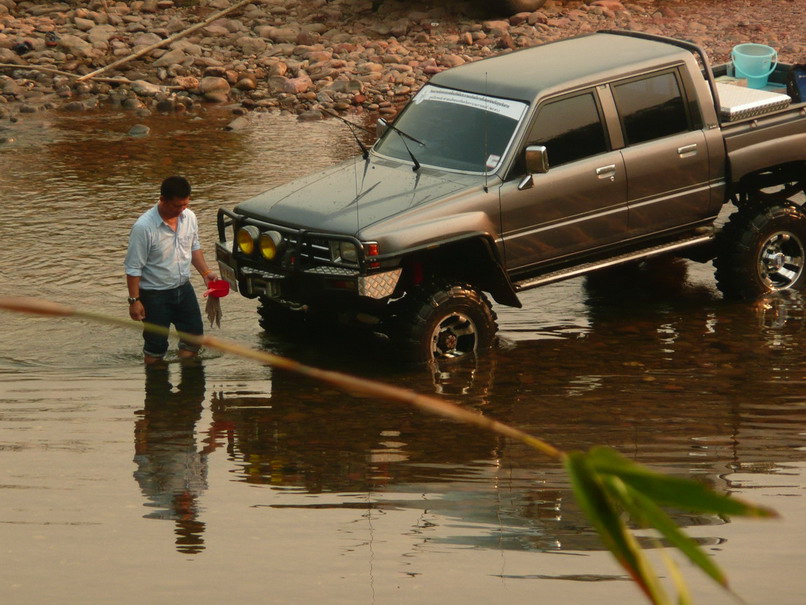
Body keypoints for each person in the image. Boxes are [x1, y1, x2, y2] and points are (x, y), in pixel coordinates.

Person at [124, 176, 217, 364]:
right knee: (156, 346)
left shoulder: (189, 217)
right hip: (154, 295)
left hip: (183, 288)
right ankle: (156, 379)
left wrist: (206, 273)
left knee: (194, 339)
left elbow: (194, 247)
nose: (182, 209)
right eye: (177, 206)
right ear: (163, 200)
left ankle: (189, 377)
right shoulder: (143, 227)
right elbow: (133, 268)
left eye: (185, 204)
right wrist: (135, 301)